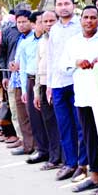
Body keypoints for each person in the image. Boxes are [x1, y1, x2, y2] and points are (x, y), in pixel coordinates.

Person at [61, 6, 98, 195]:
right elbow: (62, 65)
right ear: (81, 20)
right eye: (86, 17)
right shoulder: (72, 42)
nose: (89, 21)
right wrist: (76, 62)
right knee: (89, 138)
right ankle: (94, 176)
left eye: (93, 17)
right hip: (83, 96)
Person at [47, 0, 88, 182]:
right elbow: (51, 58)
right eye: (59, 4)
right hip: (57, 83)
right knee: (64, 125)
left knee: (80, 126)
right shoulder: (54, 29)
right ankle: (70, 163)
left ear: (73, 5)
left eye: (66, 3)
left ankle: (83, 164)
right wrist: (48, 85)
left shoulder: (81, 25)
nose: (63, 7)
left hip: (76, 80)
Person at [1, 9, 36, 156]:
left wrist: (20, 66)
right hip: (16, 79)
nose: (21, 25)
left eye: (24, 22)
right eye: (19, 22)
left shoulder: (35, 38)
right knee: (19, 114)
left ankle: (34, 145)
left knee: (30, 115)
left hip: (28, 80)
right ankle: (26, 143)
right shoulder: (19, 37)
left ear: (31, 23)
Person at [18, 11, 49, 165]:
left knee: (48, 119)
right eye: (40, 21)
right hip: (31, 81)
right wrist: (24, 89)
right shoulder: (26, 43)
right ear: (33, 24)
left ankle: (54, 152)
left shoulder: (49, 40)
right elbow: (22, 67)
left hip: (46, 80)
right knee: (35, 119)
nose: (44, 24)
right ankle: (42, 150)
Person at [33, 10, 62, 171]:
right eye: (46, 21)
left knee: (62, 124)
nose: (49, 24)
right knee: (49, 124)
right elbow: (39, 67)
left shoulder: (63, 39)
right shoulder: (41, 42)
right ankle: (54, 158)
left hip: (59, 85)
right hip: (44, 84)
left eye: (52, 21)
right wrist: (37, 92)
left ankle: (65, 159)